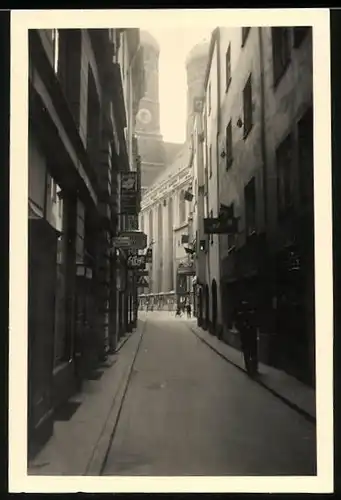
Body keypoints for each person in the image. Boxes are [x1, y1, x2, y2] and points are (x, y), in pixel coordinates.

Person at [234, 298, 259, 377]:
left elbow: (237, 324)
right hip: (248, 335)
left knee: (249, 352)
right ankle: (252, 369)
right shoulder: (246, 313)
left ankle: (252, 368)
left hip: (248, 335)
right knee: (250, 352)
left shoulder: (243, 313)